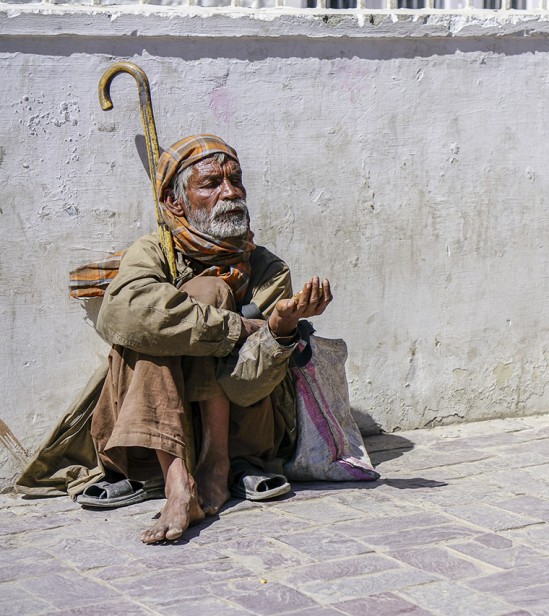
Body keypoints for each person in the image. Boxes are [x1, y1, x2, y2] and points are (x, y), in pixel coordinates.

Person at [31, 134, 332, 543]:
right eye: (211, 183)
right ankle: (178, 481)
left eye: (235, 180)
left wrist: (279, 332)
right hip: (148, 426)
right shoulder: (153, 251)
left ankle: (218, 463)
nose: (230, 192)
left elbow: (247, 386)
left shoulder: (267, 269)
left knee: (200, 299)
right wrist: (235, 327)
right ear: (175, 202)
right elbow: (122, 312)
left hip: (242, 421)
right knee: (167, 318)